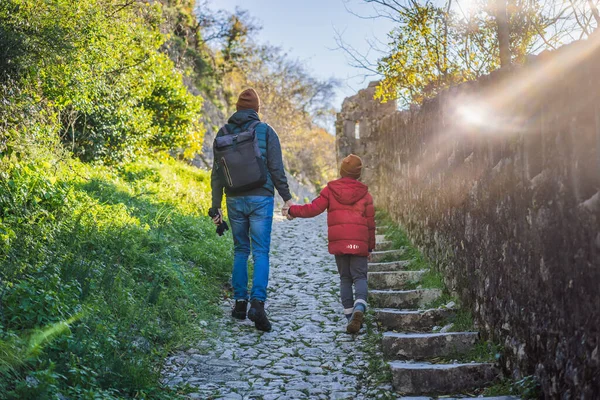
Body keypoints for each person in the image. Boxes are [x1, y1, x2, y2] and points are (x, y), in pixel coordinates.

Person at [210, 88, 293, 332]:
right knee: (260, 253)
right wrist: (287, 199)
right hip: (261, 198)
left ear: (236, 108)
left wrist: (216, 206)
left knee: (240, 251)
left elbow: (216, 174)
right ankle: (257, 304)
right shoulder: (266, 131)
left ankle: (239, 304)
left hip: (234, 200)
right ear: (257, 109)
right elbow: (276, 169)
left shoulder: (223, 132)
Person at [286, 154, 375, 334]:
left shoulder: (330, 190)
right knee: (360, 277)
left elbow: (313, 209)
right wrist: (370, 247)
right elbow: (371, 225)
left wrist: (292, 210)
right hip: (358, 244)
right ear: (358, 174)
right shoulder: (365, 195)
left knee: (345, 278)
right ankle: (359, 308)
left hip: (340, 243)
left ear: (341, 171)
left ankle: (350, 317)